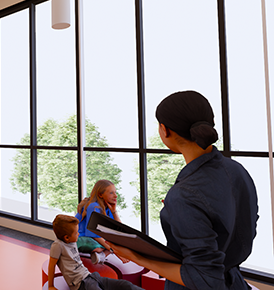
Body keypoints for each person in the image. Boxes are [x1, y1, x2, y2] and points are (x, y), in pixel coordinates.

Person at [110, 90, 259, 290]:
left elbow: (205, 280)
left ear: (165, 130)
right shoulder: (237, 170)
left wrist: (138, 257)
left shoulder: (184, 195)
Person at [48, 214, 143, 290]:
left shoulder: (72, 241)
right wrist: (50, 286)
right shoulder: (58, 245)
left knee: (125, 285)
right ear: (66, 237)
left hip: (91, 276)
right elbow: (51, 265)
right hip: (81, 284)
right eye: (76, 233)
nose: (78, 234)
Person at [75, 180, 128, 265]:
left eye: (115, 192)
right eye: (111, 193)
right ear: (100, 194)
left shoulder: (107, 206)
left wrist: (114, 211)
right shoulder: (93, 207)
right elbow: (93, 234)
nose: (116, 196)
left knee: (119, 240)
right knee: (111, 244)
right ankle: (100, 252)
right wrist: (117, 253)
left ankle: (101, 255)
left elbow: (120, 229)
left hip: (93, 236)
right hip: (81, 238)